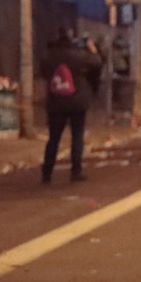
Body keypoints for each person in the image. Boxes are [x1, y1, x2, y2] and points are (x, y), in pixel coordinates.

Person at [40, 28, 103, 183]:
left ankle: (47, 172)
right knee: (77, 136)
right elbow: (97, 63)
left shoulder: (49, 55)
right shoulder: (80, 54)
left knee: (53, 138)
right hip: (77, 100)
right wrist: (93, 50)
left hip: (56, 100)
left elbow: (43, 71)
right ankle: (76, 171)